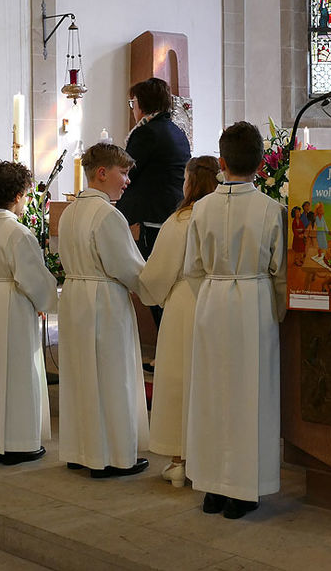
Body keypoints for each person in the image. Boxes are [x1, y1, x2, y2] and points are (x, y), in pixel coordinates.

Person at [184, 122, 286, 520]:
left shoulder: (202, 208)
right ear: (261, 164)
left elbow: (192, 267)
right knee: (250, 395)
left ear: (221, 162)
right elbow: (280, 272)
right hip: (254, 301)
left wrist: (211, 297)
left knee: (211, 393)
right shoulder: (269, 209)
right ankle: (244, 489)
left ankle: (211, 486)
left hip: (212, 300)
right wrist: (274, 311)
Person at [58, 143, 149, 477]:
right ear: (102, 172)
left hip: (75, 296)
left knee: (81, 374)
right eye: (122, 173)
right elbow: (128, 267)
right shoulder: (108, 214)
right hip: (104, 299)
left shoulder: (71, 212)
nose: (126, 181)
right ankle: (111, 456)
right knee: (112, 376)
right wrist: (159, 287)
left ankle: (81, 450)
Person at [138, 156, 220, 488]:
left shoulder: (180, 220)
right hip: (216, 300)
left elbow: (158, 272)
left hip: (184, 301)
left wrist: (149, 291)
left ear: (189, 182)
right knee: (208, 380)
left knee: (179, 380)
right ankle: (211, 457)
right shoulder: (220, 214)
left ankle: (179, 459)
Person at [0, 160, 58, 466]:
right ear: (19, 194)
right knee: (19, 372)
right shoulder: (18, 233)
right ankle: (19, 443)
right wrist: (48, 299)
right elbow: (33, 277)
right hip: (15, 302)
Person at [116, 77, 191, 326]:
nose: (133, 108)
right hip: (171, 211)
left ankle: (164, 346)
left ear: (143, 103)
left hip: (150, 216)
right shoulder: (176, 131)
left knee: (154, 284)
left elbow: (128, 171)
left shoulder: (147, 133)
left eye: (133, 102)